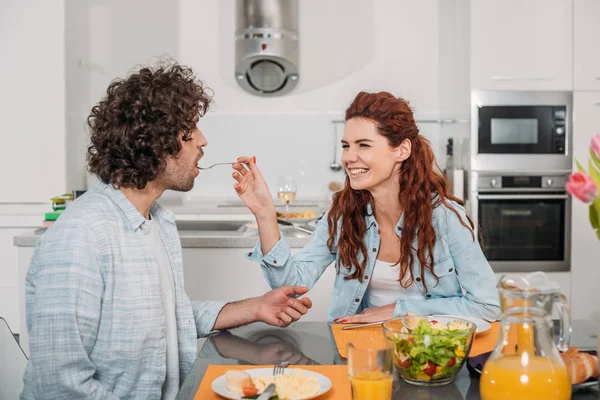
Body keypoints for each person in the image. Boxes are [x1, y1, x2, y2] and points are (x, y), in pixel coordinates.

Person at [21, 63, 312, 400]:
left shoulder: (156, 221)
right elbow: (58, 385)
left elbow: (165, 317)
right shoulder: (80, 237)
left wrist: (256, 307)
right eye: (189, 129)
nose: (203, 141)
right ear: (154, 140)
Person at [232, 91, 500, 323]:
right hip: (361, 353)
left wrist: (399, 310)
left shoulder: (445, 218)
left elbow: (486, 306)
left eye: (364, 145)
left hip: (432, 354)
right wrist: (265, 214)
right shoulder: (343, 212)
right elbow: (289, 285)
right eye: (346, 146)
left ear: (402, 150)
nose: (349, 157)